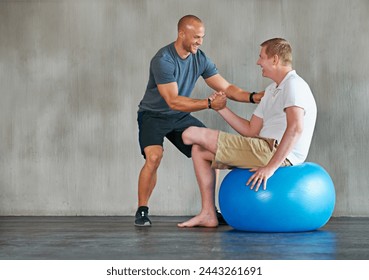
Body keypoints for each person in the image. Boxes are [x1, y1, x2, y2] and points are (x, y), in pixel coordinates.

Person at [135, 15, 263, 227]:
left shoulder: (199, 58)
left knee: (210, 151)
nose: (199, 42)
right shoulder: (163, 60)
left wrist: (252, 97)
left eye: (202, 37)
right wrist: (209, 104)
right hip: (153, 115)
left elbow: (227, 88)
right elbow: (173, 101)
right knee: (154, 157)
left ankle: (209, 211)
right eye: (196, 37)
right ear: (181, 34)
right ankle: (142, 210)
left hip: (179, 117)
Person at [177, 38, 317, 228]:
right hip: (261, 146)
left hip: (275, 153)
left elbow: (296, 127)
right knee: (199, 151)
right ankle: (208, 213)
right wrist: (221, 109)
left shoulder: (294, 85)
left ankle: (209, 213)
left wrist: (270, 168)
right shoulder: (272, 90)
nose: (258, 62)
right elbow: (250, 130)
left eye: (262, 57)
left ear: (275, 59)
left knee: (190, 133)